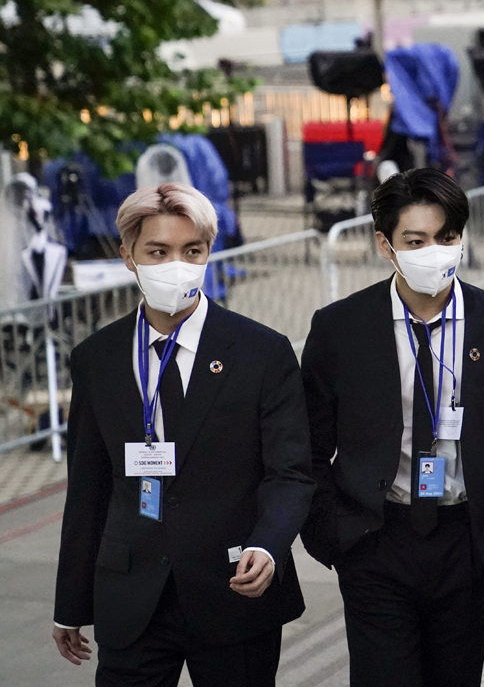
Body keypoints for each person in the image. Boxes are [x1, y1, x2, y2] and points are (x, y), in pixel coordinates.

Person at [299, 167, 484, 687]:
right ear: (384, 244)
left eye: (446, 237)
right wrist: (334, 533)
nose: (433, 251)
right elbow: (307, 444)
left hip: (466, 539)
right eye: (415, 240)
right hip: (377, 540)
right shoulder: (339, 328)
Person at [52, 183, 315, 686]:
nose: (179, 264)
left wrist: (269, 545)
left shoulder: (262, 352)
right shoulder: (97, 360)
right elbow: (88, 487)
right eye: (159, 251)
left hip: (235, 590)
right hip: (132, 600)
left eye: (192, 251)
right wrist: (71, 604)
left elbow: (291, 474)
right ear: (129, 256)